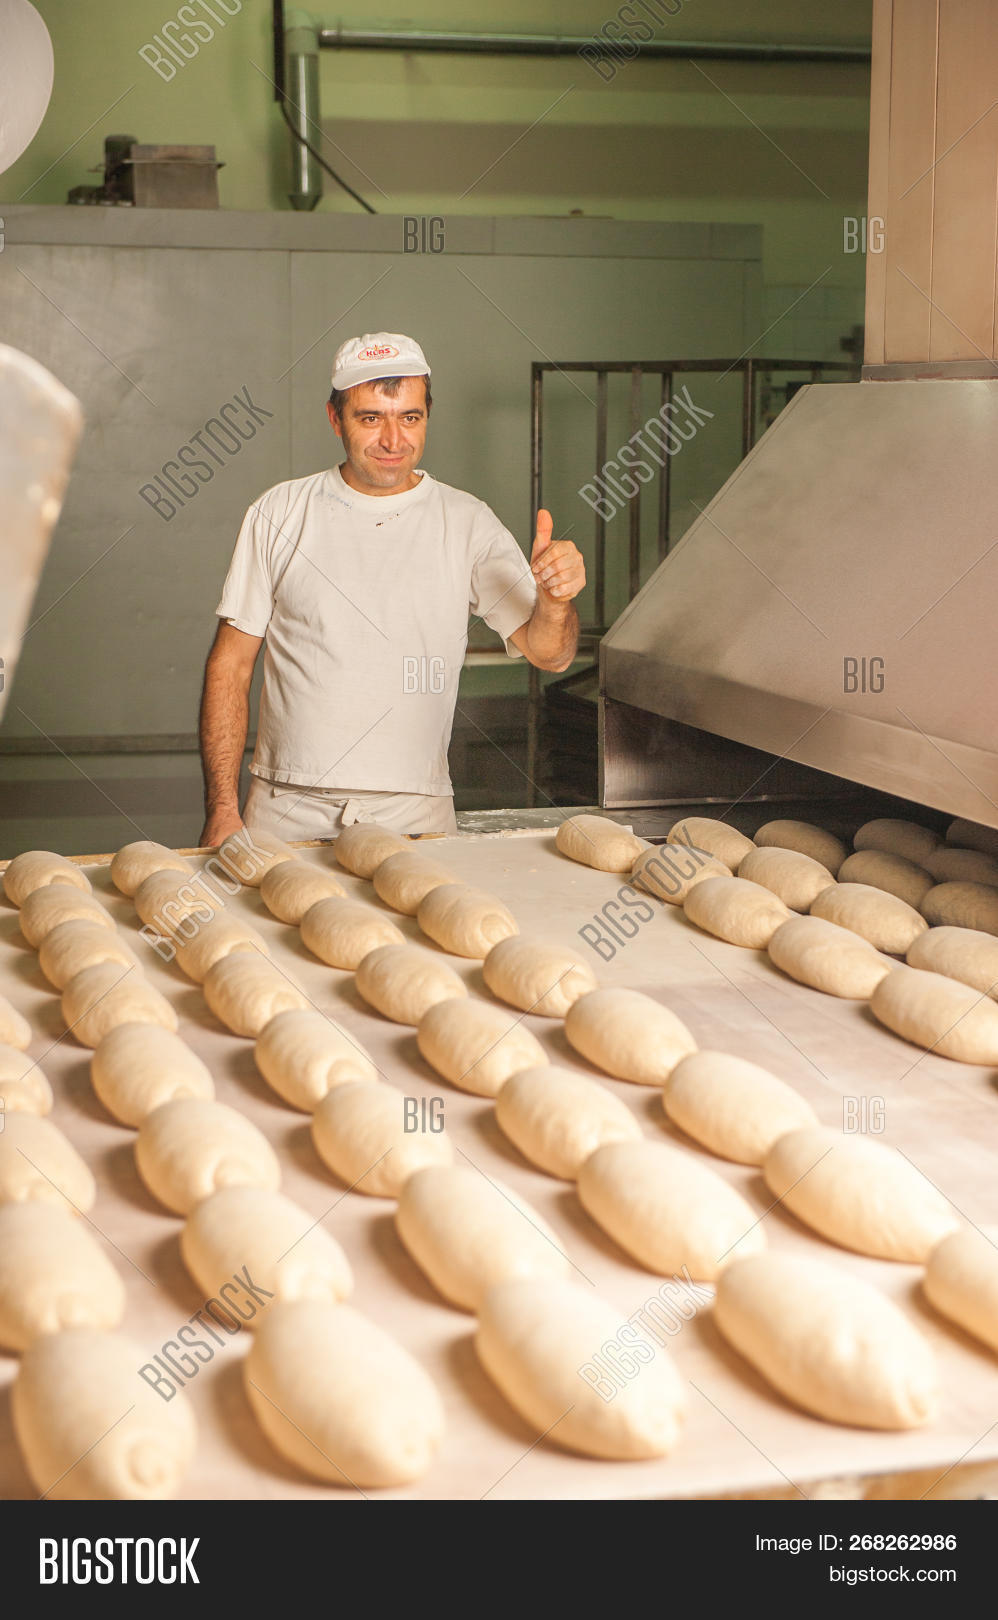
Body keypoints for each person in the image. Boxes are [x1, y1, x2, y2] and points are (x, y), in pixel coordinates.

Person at [198, 331, 585, 845]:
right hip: (285, 806)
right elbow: (231, 664)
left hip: (415, 812)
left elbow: (551, 655)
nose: (393, 440)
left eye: (409, 417)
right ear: (335, 419)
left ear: (426, 416)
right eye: (370, 418)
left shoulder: (466, 520)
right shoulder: (279, 512)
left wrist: (557, 603)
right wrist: (223, 807)